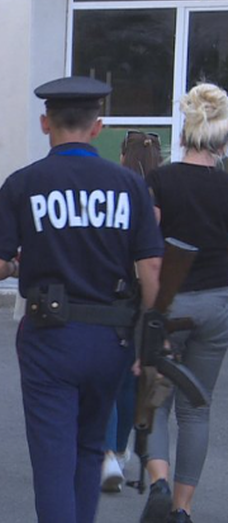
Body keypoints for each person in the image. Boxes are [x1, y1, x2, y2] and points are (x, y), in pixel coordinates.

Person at [0, 76, 163, 523]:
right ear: (97, 127)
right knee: (89, 448)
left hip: (49, 336)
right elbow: (151, 269)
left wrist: (16, 267)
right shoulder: (129, 186)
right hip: (111, 338)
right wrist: (152, 340)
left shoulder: (24, 183)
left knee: (52, 458)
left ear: (46, 123)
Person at [140, 83, 228, 523]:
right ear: (222, 141)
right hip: (217, 305)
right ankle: (182, 508)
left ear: (183, 134)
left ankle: (157, 481)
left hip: (170, 304)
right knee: (197, 408)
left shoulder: (160, 181)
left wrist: (149, 310)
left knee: (155, 398)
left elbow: (146, 249)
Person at [101, 130, 163, 494]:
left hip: (118, 290)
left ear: (124, 155)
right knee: (131, 380)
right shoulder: (164, 190)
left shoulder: (119, 189)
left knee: (110, 374)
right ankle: (121, 450)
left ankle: (107, 453)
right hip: (153, 290)